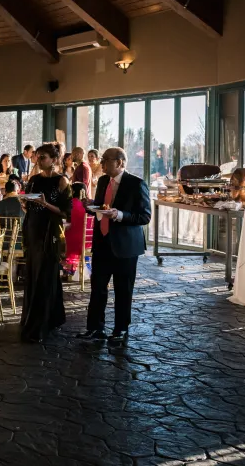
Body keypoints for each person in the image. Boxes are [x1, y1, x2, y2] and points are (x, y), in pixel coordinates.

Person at [79, 147, 151, 347]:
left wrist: (119, 215)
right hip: (102, 242)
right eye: (101, 159)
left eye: (105, 159)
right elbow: (102, 208)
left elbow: (145, 216)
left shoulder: (136, 184)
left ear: (120, 162)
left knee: (123, 289)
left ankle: (121, 329)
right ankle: (95, 328)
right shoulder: (102, 181)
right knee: (97, 288)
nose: (101, 163)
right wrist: (91, 206)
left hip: (125, 246)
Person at [18, 143, 72, 343]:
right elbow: (28, 206)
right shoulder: (33, 180)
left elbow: (66, 212)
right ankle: (53, 316)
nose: (39, 161)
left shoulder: (62, 181)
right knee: (34, 274)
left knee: (45, 275)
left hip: (50, 232)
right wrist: (25, 204)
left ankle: (41, 324)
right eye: (37, 157)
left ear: (54, 159)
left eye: (43, 157)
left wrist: (45, 203)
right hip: (32, 230)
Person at [63, 182, 89, 279]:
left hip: (71, 243)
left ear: (72, 191)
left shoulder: (70, 204)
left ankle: (66, 269)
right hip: (88, 242)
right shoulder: (88, 205)